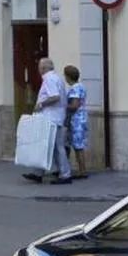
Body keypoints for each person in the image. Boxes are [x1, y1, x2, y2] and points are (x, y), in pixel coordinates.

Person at [22, 57, 72, 185]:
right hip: (56, 117)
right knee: (50, 146)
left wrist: (41, 104)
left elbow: (55, 96)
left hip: (51, 118)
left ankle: (65, 174)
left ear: (43, 68)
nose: (38, 69)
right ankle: (39, 173)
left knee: (55, 147)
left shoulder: (49, 79)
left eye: (39, 67)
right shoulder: (57, 78)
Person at [63, 65, 89, 179]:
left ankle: (82, 170)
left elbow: (74, 105)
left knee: (78, 147)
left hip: (76, 120)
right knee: (79, 146)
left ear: (68, 77)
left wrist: (64, 105)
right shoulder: (81, 86)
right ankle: (82, 170)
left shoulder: (74, 88)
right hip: (81, 118)